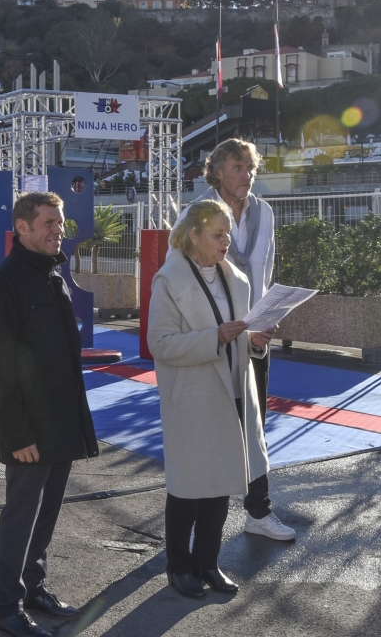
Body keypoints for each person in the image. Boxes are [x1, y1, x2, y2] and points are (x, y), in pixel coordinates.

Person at [0, 191, 99, 637]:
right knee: (21, 516)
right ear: (22, 228)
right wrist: (16, 433)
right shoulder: (3, 283)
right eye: (48, 222)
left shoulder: (53, 275)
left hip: (63, 419)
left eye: (61, 222)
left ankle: (33, 588)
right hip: (29, 428)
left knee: (46, 514)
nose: (58, 230)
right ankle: (5, 607)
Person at [148, 198, 277, 598]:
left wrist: (254, 341)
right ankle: (178, 567)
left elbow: (241, 336)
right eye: (218, 235)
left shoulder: (234, 277)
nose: (226, 241)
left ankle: (208, 563)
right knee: (187, 489)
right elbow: (160, 344)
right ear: (194, 236)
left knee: (220, 484)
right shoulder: (168, 280)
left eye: (227, 233)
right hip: (192, 397)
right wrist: (214, 338)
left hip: (233, 391)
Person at [178, 137, 295, 541]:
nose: (246, 175)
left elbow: (264, 271)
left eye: (249, 167)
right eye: (237, 167)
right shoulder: (195, 212)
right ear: (217, 172)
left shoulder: (265, 212)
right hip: (212, 334)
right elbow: (180, 272)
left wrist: (268, 318)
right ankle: (195, 520)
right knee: (211, 423)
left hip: (255, 337)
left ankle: (258, 513)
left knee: (255, 423)